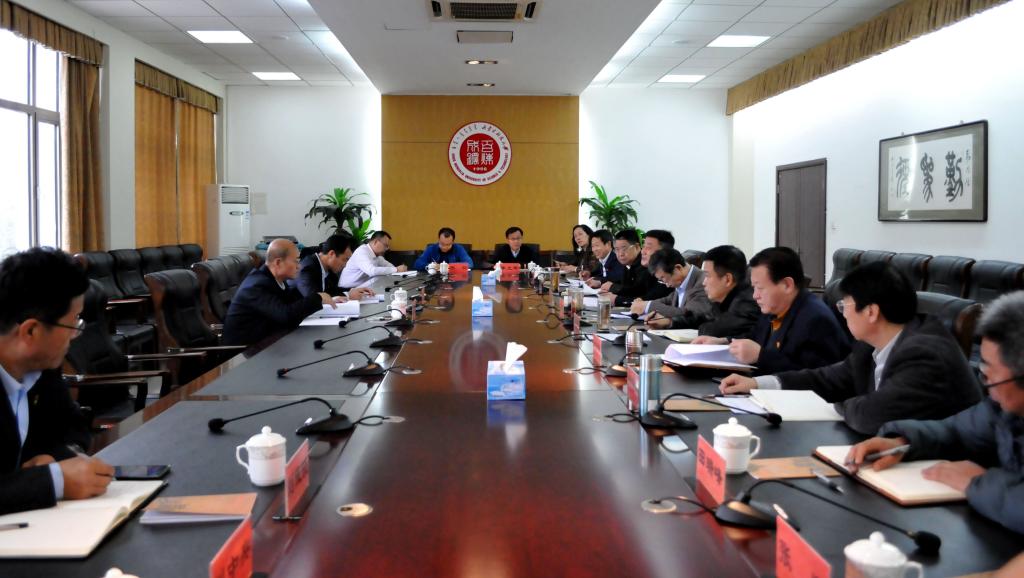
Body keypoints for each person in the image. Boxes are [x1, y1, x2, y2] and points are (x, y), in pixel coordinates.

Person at [719, 262, 981, 434]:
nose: (842, 313)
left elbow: (871, 415)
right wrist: (758, 384)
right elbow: (827, 378)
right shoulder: (870, 346)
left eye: (845, 306)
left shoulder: (925, 353)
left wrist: (832, 406)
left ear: (871, 312)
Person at [847, 291, 1024, 534]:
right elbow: (956, 431)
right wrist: (902, 442)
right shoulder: (999, 409)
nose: (986, 386)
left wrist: (977, 484)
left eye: (990, 376)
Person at [0, 248, 114, 516]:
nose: (76, 335)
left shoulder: (41, 368)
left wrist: (54, 457)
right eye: (73, 324)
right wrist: (54, 481)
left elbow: (74, 428)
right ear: (31, 331)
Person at [695, 247, 849, 374]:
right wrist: (723, 341)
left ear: (787, 285)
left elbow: (814, 375)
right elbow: (754, 337)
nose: (755, 296)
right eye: (754, 288)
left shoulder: (815, 319)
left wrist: (761, 356)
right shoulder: (774, 308)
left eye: (760, 288)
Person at [223, 239, 338, 346]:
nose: (299, 266)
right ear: (278, 262)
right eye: (296, 261)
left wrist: (323, 300)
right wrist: (317, 298)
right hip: (244, 352)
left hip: (268, 343)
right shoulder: (257, 285)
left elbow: (293, 306)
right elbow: (285, 315)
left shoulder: (276, 281)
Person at [648, 244, 760, 338]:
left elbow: (712, 330)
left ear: (727, 279)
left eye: (707, 276)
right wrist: (669, 322)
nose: (704, 282)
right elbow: (701, 318)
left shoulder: (746, 302)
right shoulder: (721, 299)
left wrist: (704, 327)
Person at [630, 248, 712, 327]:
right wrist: (643, 304)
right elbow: (668, 300)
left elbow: (688, 315)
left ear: (678, 268)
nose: (666, 285)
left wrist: (647, 306)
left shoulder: (703, 283)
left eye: (663, 279)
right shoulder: (683, 280)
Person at [295, 233, 374, 301]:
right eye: (345, 260)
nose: (345, 265)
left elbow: (331, 291)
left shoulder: (328, 269)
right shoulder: (308, 268)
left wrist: (353, 290)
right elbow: (313, 298)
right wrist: (348, 295)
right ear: (332, 254)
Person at [602, 229, 669, 306]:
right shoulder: (628, 265)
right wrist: (613, 292)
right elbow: (633, 291)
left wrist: (617, 298)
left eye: (648, 248)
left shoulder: (651, 270)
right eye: (617, 249)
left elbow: (646, 299)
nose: (643, 251)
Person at [340, 231, 408, 288]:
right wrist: (396, 269)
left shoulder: (377, 255)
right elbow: (372, 271)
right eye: (385, 245)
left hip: (360, 288)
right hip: (346, 290)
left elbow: (389, 266)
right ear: (375, 242)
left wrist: (399, 269)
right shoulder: (362, 251)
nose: (387, 249)